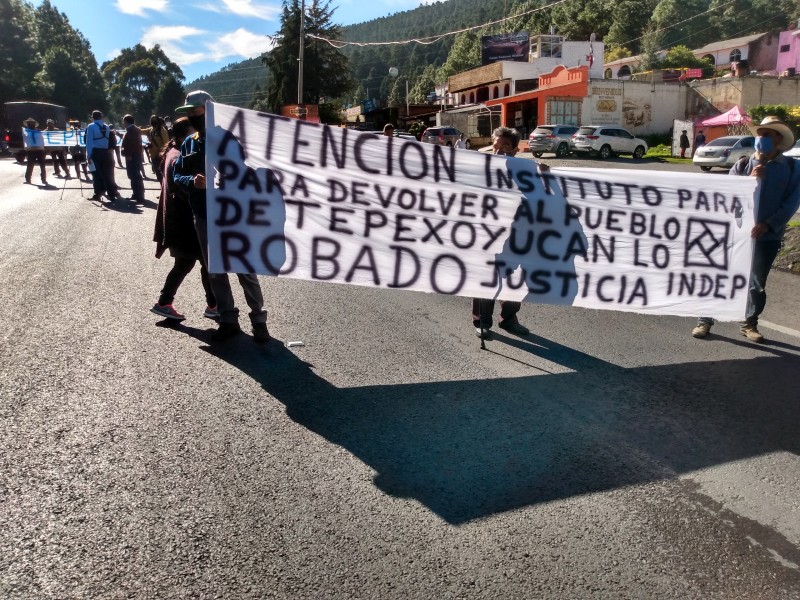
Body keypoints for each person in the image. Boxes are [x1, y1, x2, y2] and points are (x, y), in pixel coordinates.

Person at [173, 90, 270, 343]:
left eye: (197, 111)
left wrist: (220, 172)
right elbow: (177, 176)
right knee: (215, 271)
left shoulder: (227, 139)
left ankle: (259, 320)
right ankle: (228, 320)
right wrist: (192, 181)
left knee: (244, 269)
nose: (193, 116)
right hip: (203, 217)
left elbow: (240, 170)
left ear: (210, 109)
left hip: (231, 214)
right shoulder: (188, 143)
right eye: (190, 113)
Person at [692, 116, 799, 343]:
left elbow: (792, 202)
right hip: (735, 234)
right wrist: (748, 183)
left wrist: (768, 224)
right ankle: (705, 319)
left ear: (778, 139)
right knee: (720, 276)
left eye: (767, 135)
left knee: (756, 283)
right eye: (760, 133)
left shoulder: (792, 168)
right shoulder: (742, 165)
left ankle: (749, 323)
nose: (761, 138)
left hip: (767, 237)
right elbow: (728, 198)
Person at [151, 116, 217, 321]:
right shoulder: (177, 155)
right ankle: (213, 305)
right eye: (192, 131)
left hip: (181, 220)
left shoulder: (175, 152)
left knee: (188, 263)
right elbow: (179, 187)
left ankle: (165, 302)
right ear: (182, 136)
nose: (197, 135)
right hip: (184, 221)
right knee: (206, 264)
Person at [471, 126, 533, 338]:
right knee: (486, 278)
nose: (498, 152)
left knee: (517, 281)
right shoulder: (484, 170)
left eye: (505, 147)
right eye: (495, 147)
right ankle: (482, 321)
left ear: (516, 149)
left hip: (518, 236)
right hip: (489, 236)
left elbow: (545, 198)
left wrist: (546, 176)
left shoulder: (528, 171)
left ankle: (508, 319)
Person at [84, 110, 120, 201]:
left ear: (93, 117)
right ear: (101, 117)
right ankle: (111, 194)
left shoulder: (91, 126)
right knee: (108, 174)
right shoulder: (107, 127)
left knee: (96, 174)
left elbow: (89, 142)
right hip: (106, 153)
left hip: (95, 152)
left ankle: (97, 194)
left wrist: (88, 156)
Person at [120, 114, 146, 203]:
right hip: (135, 155)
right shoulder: (133, 129)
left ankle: (139, 195)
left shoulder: (131, 130)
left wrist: (128, 155)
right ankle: (136, 194)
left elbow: (131, 144)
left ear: (126, 121)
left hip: (132, 156)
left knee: (134, 176)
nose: (123, 123)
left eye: (123, 121)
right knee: (134, 176)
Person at [22, 117, 47, 185]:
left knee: (42, 165)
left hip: (39, 150)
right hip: (31, 150)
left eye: (30, 123)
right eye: (28, 123)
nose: (29, 124)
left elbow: (43, 139)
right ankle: (28, 179)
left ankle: (43, 179)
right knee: (30, 165)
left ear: (33, 124)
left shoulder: (39, 131)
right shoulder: (26, 132)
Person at [145, 115, 170, 181]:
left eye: (154, 120)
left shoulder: (161, 130)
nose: (153, 121)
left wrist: (163, 154)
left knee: (163, 176)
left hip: (160, 156)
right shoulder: (150, 130)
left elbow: (166, 143)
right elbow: (141, 131)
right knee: (159, 176)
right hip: (153, 156)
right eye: (151, 120)